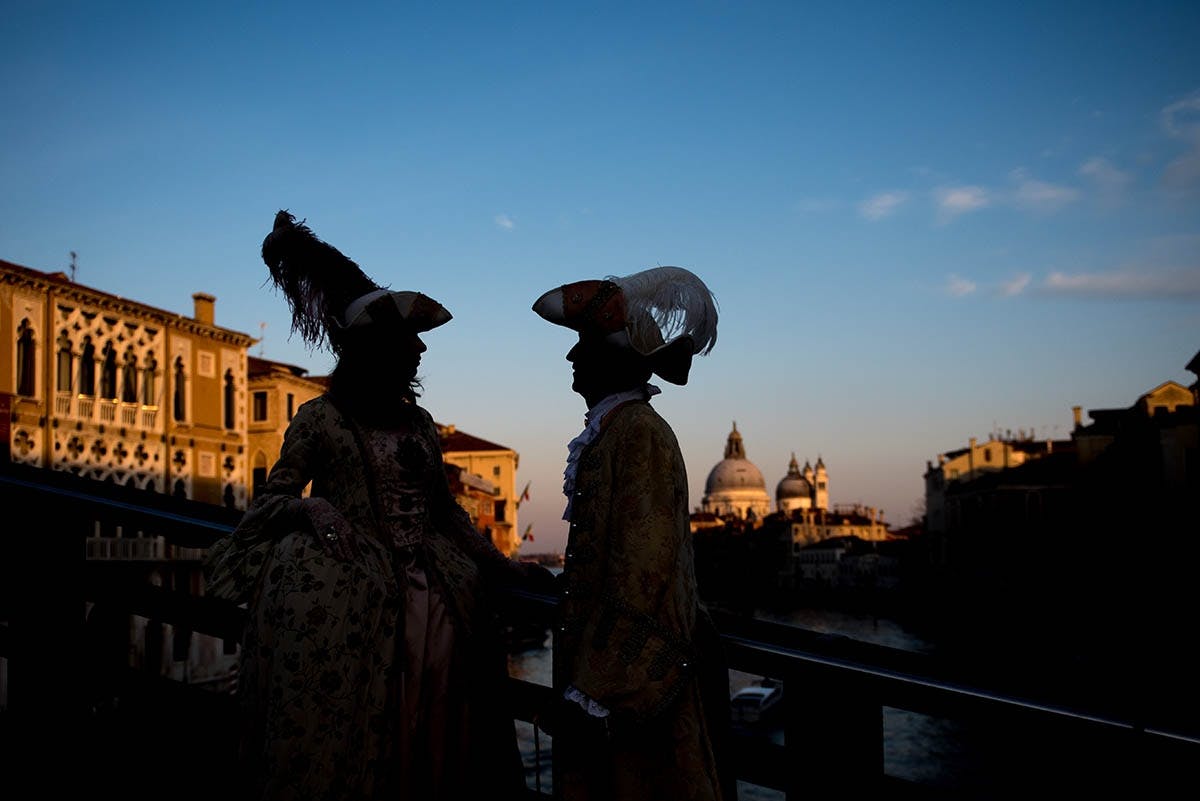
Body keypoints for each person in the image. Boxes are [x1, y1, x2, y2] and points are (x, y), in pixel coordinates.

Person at [204, 210, 548, 801]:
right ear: (374, 352)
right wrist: (312, 511)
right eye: (404, 344)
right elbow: (275, 498)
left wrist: (502, 568)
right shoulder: (319, 419)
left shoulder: (418, 422)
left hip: (435, 596)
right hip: (348, 594)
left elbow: (444, 513)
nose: (417, 353)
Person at [531, 266, 734, 801]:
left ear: (616, 357)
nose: (572, 358)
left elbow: (643, 567)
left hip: (635, 682)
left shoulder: (637, 433)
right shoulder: (618, 429)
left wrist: (593, 692)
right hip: (614, 672)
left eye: (584, 346)